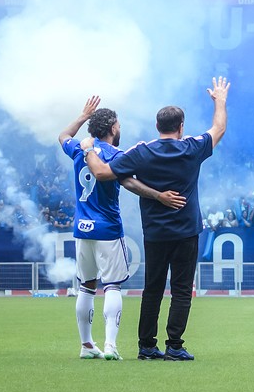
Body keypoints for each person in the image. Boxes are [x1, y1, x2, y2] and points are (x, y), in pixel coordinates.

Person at [83, 77, 229, 362]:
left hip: (155, 233)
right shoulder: (192, 148)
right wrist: (220, 100)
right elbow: (219, 128)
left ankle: (146, 346)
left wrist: (86, 148)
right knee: (182, 290)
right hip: (186, 230)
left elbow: (103, 174)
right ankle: (174, 346)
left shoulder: (142, 151)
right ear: (181, 127)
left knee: (152, 289)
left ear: (157, 127)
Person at [59, 96, 185, 361]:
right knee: (112, 286)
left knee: (86, 287)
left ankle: (86, 345)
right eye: (118, 124)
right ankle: (111, 346)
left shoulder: (80, 148)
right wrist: (158, 195)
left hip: (82, 228)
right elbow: (129, 183)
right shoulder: (116, 155)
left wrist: (83, 116)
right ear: (113, 128)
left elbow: (62, 136)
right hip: (107, 229)